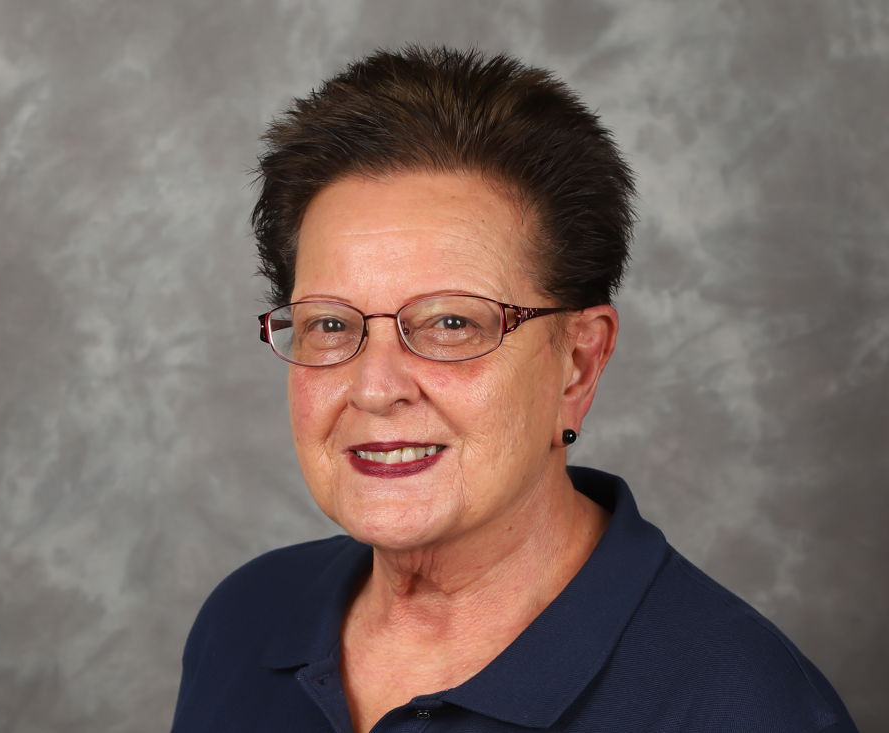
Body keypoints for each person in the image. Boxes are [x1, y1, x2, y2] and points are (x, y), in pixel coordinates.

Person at [171, 46, 857, 732]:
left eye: (451, 323)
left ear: (578, 363)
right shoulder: (244, 620)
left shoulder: (745, 707)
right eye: (329, 323)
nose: (375, 388)